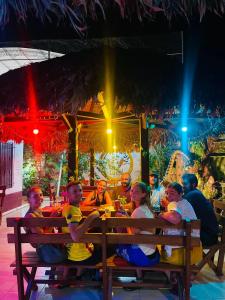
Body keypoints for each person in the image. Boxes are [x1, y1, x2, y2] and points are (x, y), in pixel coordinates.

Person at [116, 182, 160, 267]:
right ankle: (139, 275)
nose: (132, 193)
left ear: (143, 194)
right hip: (153, 256)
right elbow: (137, 227)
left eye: (136, 192)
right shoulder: (147, 208)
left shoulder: (138, 211)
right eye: (132, 191)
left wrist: (126, 221)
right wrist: (127, 217)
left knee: (117, 246)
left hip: (143, 258)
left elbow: (132, 236)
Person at [160, 182, 202, 266]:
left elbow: (175, 218)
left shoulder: (173, 204)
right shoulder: (185, 203)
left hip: (182, 252)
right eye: (167, 193)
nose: (168, 196)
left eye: (172, 193)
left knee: (154, 246)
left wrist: (161, 215)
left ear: (180, 194)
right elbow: (179, 212)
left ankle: (172, 274)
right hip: (194, 247)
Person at [25, 186, 66, 264]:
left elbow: (44, 229)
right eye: (35, 196)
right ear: (29, 200)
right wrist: (52, 219)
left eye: (41, 195)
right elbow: (42, 238)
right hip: (48, 254)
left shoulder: (38, 210)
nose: (39, 198)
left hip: (50, 250)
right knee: (74, 254)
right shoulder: (30, 216)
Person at [182, 173, 218, 246]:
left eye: (185, 184)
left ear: (193, 184)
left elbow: (180, 210)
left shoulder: (193, 195)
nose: (183, 187)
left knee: (177, 237)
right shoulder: (194, 193)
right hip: (206, 233)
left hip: (207, 236)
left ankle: (183, 257)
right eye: (182, 184)